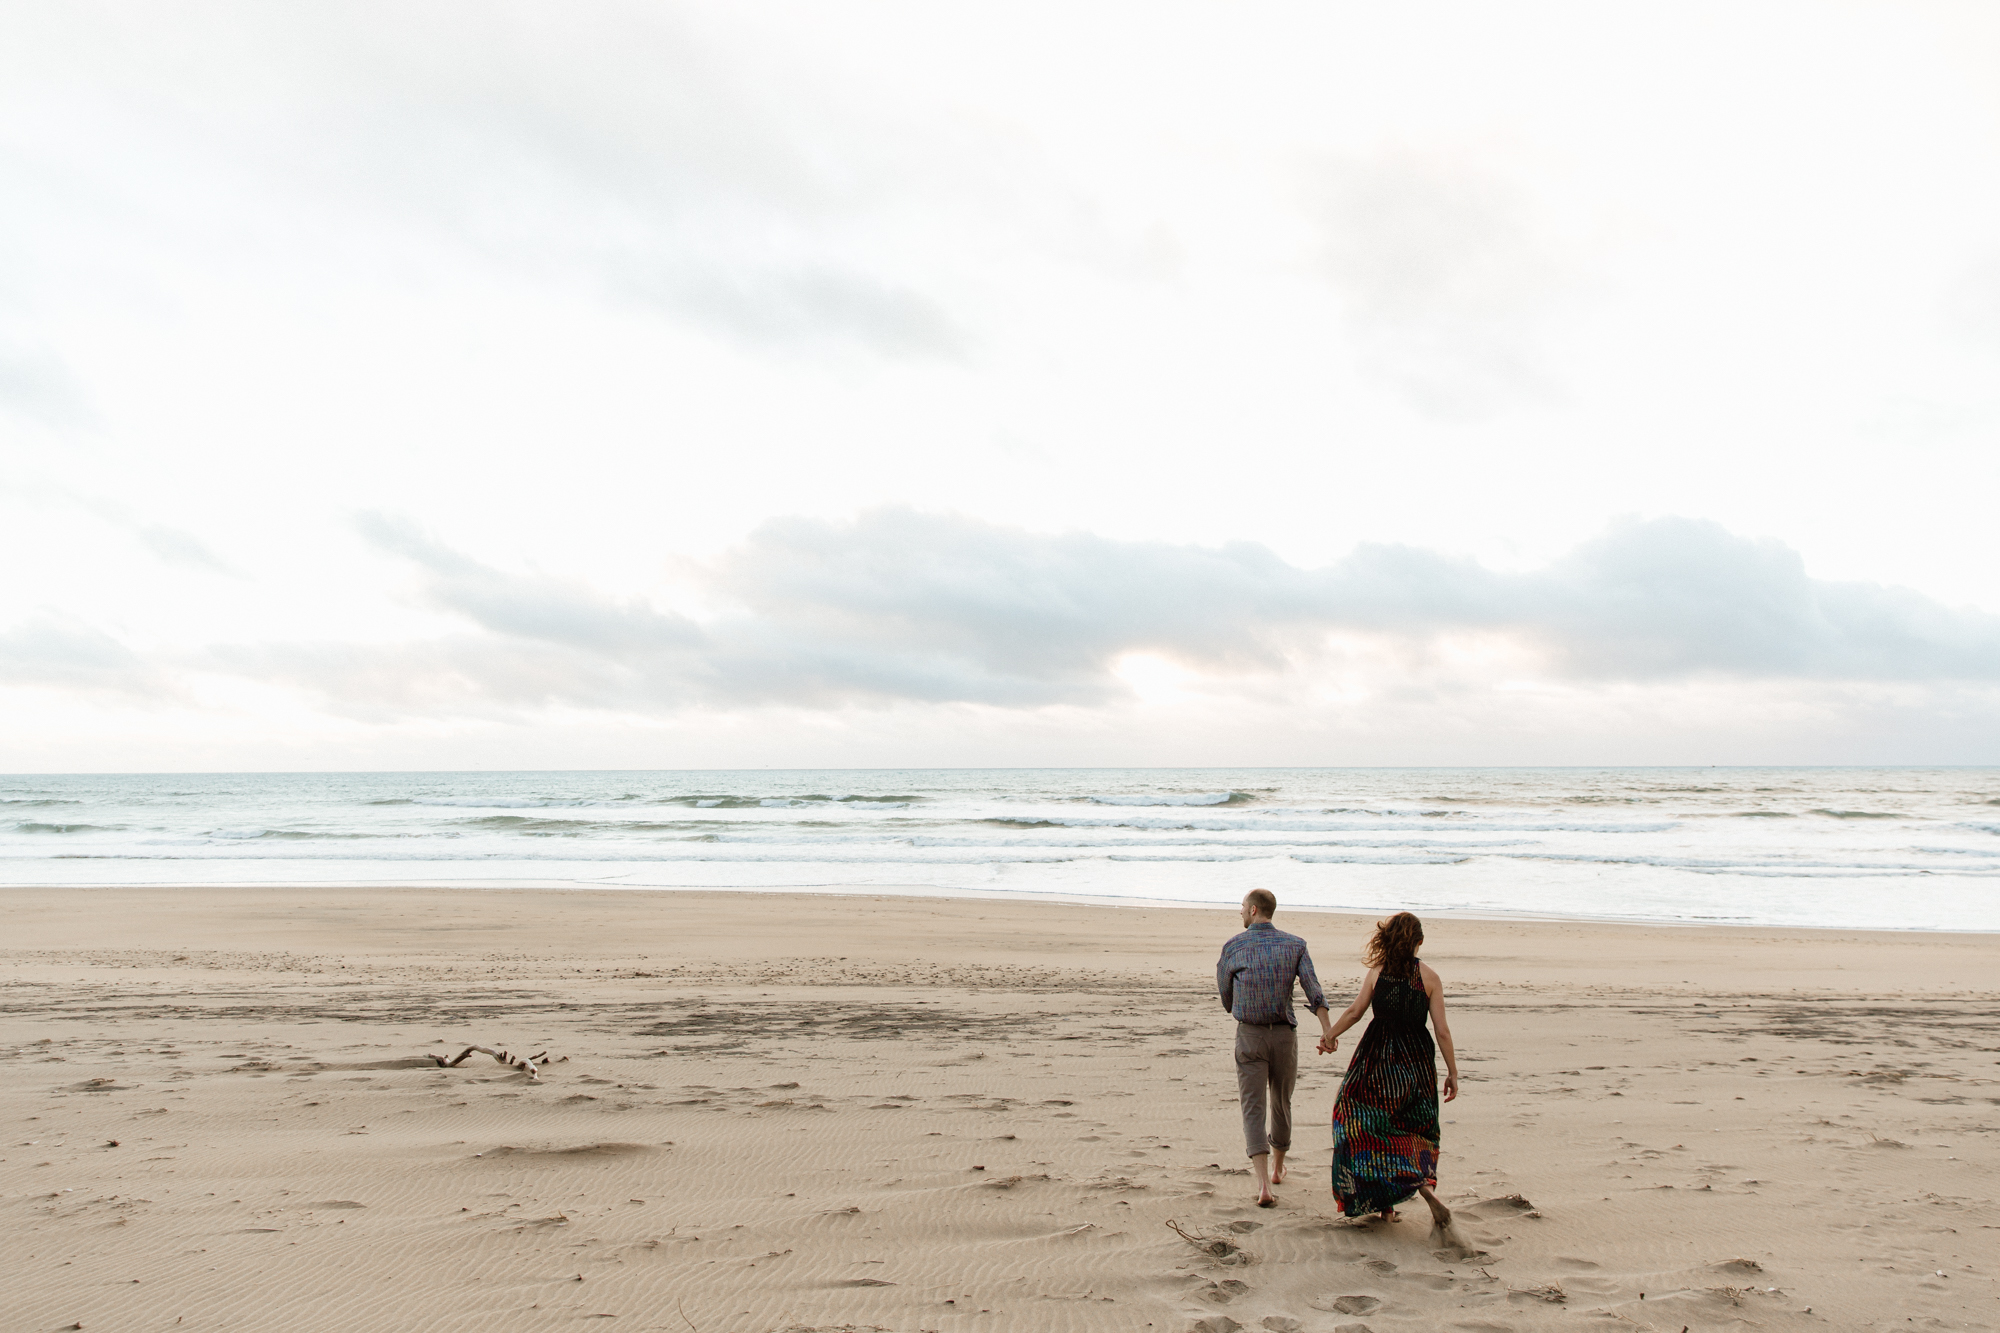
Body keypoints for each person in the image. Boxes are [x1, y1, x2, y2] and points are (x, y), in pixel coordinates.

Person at [1318, 911, 1459, 1226]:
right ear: (1418, 942)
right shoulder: (1430, 978)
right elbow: (1442, 1031)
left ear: (1389, 939)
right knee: (1412, 1125)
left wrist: (1329, 1036)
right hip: (1416, 1061)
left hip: (1377, 1059)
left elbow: (1355, 1012)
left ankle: (1385, 1204)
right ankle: (1417, 1184)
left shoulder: (1377, 972)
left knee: (1357, 1117)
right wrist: (1452, 1071)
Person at [1216, 889, 1337, 1207]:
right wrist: (1328, 1031)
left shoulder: (1233, 946)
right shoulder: (1295, 945)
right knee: (1282, 1103)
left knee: (1253, 1108)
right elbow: (1314, 990)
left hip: (1251, 1036)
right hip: (1285, 1037)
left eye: (1242, 906)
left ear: (1253, 910)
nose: (1240, 911)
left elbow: (1226, 997)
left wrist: (1242, 1001)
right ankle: (1279, 1168)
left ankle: (1262, 1186)